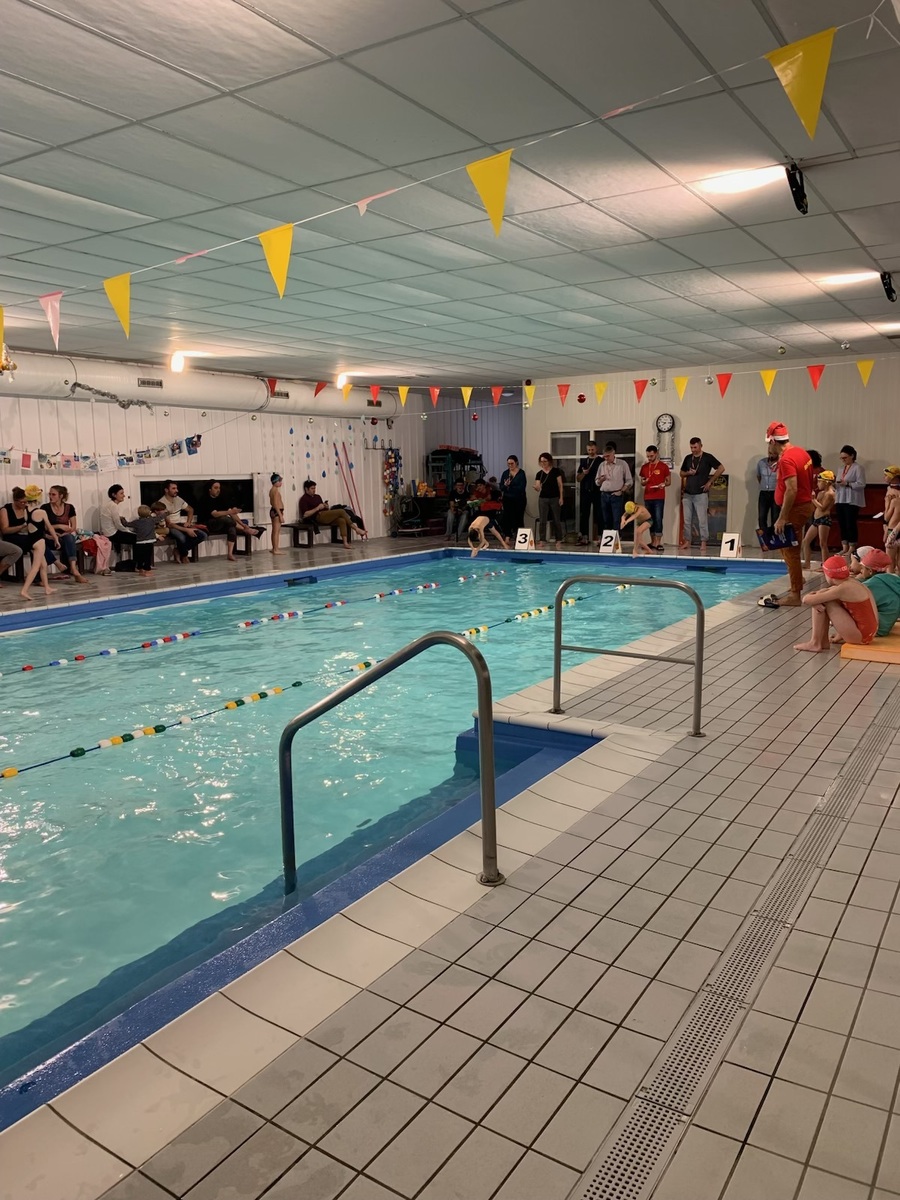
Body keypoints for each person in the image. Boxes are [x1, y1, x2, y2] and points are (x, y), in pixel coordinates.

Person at [758, 422, 815, 608]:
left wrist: (782, 517)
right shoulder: (802, 452)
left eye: (769, 443)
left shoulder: (787, 460)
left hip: (795, 509)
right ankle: (797, 577)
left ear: (773, 441)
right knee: (785, 547)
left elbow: (792, 489)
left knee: (790, 550)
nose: (768, 448)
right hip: (803, 505)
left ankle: (795, 595)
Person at [794, 554, 878, 652]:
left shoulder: (842, 589)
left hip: (861, 636)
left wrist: (814, 600)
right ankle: (823, 641)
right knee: (823, 597)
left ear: (829, 575)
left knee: (822, 601)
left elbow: (806, 600)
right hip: (869, 633)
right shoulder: (853, 583)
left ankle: (815, 643)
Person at [0, 486, 58, 600]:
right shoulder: (41, 512)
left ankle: (47, 587)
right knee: (35, 567)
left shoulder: (27, 512)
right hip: (39, 541)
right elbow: (49, 527)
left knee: (43, 565)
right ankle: (24, 590)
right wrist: (55, 538)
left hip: (31, 540)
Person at [194, 481, 265, 561]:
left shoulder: (220, 499)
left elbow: (231, 513)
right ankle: (245, 530)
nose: (218, 490)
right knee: (224, 518)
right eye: (216, 488)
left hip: (220, 523)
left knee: (231, 527)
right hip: (207, 524)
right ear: (209, 489)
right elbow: (215, 514)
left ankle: (230, 554)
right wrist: (230, 513)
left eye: (219, 488)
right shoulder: (205, 499)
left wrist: (242, 524)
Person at [679, 437, 723, 550]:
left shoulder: (707, 457)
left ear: (701, 446)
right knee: (687, 520)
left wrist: (710, 482)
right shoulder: (688, 458)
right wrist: (688, 473)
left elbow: (721, 468)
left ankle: (703, 542)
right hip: (688, 493)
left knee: (702, 519)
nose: (693, 450)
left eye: (695, 447)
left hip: (701, 494)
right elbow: (681, 473)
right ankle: (687, 541)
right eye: (691, 447)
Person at [41, 484, 88, 584]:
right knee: (40, 543)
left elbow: (73, 527)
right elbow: (43, 526)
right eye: (49, 494)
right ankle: (57, 563)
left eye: (53, 494)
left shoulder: (69, 507)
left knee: (69, 537)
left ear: (61, 496)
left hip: (64, 537)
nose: (50, 496)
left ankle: (73, 569)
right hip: (50, 537)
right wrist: (58, 526)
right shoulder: (45, 508)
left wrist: (64, 533)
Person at [157, 480, 208, 564]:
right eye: (173, 488)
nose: (176, 490)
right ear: (166, 490)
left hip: (179, 524)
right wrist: (187, 530)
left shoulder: (178, 499)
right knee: (181, 537)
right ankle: (184, 555)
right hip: (169, 527)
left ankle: (178, 550)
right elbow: (169, 524)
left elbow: (190, 509)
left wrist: (188, 522)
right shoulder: (161, 503)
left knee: (203, 535)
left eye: (176, 488)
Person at [298, 479, 352, 546]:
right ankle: (355, 528)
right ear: (306, 489)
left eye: (314, 488)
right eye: (312, 488)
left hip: (324, 515)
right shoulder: (304, 499)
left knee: (342, 520)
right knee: (341, 511)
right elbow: (305, 514)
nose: (314, 490)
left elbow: (323, 509)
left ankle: (345, 543)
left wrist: (325, 506)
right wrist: (317, 508)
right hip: (317, 517)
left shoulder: (317, 496)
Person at [860, 548, 900, 636]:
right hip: (887, 624)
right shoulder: (893, 579)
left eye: (862, 568)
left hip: (877, 628)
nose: (861, 571)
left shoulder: (870, 585)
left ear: (870, 571)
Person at [596, 441, 633, 539]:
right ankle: (607, 540)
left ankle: (617, 540)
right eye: (604, 456)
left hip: (616, 495)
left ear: (613, 454)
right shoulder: (602, 465)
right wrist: (601, 480)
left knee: (617, 519)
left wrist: (621, 490)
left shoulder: (622, 464)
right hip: (604, 495)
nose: (606, 458)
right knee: (605, 519)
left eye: (608, 456)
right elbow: (597, 482)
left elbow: (629, 481)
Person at [800, 470, 835, 571]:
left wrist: (813, 499)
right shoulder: (821, 493)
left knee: (822, 543)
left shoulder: (830, 494)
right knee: (806, 541)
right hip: (817, 520)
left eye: (820, 482)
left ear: (827, 482)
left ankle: (825, 566)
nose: (818, 484)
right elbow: (815, 506)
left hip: (824, 520)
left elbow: (822, 508)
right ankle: (807, 563)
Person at [835, 445, 866, 557]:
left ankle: (852, 547)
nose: (843, 460)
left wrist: (848, 483)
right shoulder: (840, 468)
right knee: (842, 524)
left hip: (852, 500)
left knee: (850, 524)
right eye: (841, 458)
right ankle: (844, 547)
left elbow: (861, 484)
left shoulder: (858, 468)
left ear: (852, 456)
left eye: (845, 458)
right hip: (840, 498)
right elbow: (838, 482)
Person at [639, 445, 670, 552]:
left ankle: (658, 542)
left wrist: (663, 484)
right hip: (648, 496)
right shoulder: (644, 467)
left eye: (651, 456)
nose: (649, 458)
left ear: (656, 454)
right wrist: (645, 481)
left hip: (659, 496)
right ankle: (653, 542)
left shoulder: (663, 466)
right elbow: (642, 482)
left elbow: (668, 481)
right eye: (648, 456)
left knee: (658, 518)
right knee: (650, 520)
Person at [534, 452, 564, 548]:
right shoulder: (539, 474)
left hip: (555, 497)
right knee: (543, 519)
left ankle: (559, 539)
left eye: (545, 461)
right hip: (543, 498)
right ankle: (542, 539)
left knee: (556, 519)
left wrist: (561, 497)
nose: (543, 463)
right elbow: (538, 487)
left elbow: (560, 485)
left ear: (549, 461)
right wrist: (536, 487)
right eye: (541, 461)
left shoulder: (556, 471)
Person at [98, 484, 138, 558]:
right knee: (137, 538)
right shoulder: (113, 506)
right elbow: (118, 525)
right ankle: (137, 562)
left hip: (109, 532)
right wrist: (129, 531)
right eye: (121, 493)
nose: (124, 495)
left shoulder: (109, 505)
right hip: (112, 534)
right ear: (114, 495)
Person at [576, 441, 601, 545]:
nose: (591, 452)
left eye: (592, 449)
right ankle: (584, 537)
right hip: (586, 491)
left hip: (597, 491)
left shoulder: (601, 461)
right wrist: (584, 473)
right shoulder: (584, 461)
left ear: (596, 449)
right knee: (584, 514)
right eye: (589, 450)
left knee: (599, 514)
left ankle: (600, 537)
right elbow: (578, 478)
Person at [127, 505, 160, 576]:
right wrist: (167, 513)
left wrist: (122, 519)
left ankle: (140, 569)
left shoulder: (136, 522)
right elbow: (160, 518)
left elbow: (127, 524)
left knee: (140, 557)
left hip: (139, 542)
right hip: (149, 542)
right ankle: (147, 570)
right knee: (147, 557)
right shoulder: (151, 520)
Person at [499, 456, 527, 537]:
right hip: (507, 499)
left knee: (519, 518)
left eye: (512, 463)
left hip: (519, 499)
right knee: (507, 517)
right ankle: (507, 536)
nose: (510, 465)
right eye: (508, 464)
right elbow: (501, 487)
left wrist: (510, 486)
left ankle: (519, 536)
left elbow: (522, 487)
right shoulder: (505, 473)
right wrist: (505, 485)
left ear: (516, 463)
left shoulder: (521, 473)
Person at [756, 445, 779, 534]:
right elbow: (759, 476)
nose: (771, 455)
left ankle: (775, 537)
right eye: (770, 453)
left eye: (774, 453)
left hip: (776, 493)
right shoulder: (761, 463)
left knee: (775, 517)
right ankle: (764, 538)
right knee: (761, 516)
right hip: (764, 493)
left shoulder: (781, 463)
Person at [882, 466, 900, 574]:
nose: (884, 477)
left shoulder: (891, 493)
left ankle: (891, 582)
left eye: (886, 475)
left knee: (890, 562)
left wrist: (887, 502)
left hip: (892, 529)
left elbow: (887, 517)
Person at [269, 473, 284, 555]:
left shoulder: (272, 490)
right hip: (276, 511)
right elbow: (275, 504)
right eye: (280, 481)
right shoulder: (275, 491)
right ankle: (276, 549)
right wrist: (280, 515)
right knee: (276, 531)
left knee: (274, 530)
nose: (281, 483)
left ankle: (274, 548)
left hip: (274, 511)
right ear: (275, 481)